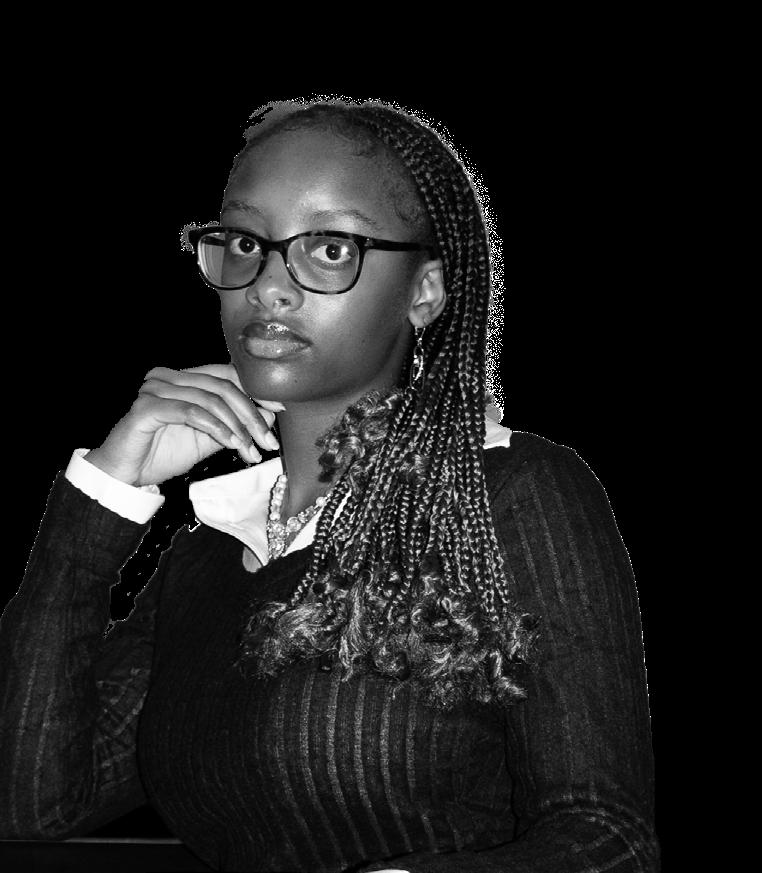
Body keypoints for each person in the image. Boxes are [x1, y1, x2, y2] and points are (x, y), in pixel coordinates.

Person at [0, 97, 659, 872]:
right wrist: (108, 491)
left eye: (331, 248)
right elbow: (34, 803)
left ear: (425, 291)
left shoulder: (512, 492)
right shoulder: (208, 552)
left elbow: (606, 837)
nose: (269, 286)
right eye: (247, 242)